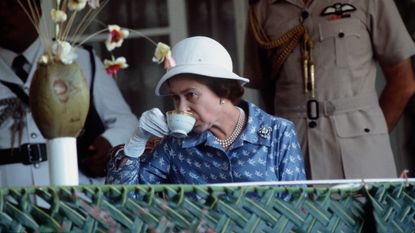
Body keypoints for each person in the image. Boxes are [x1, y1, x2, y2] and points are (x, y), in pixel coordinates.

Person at [244, 0, 415, 180]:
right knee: (296, 208)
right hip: (293, 151)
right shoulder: (263, 9)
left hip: (361, 152)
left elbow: (403, 82)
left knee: (365, 207)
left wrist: (373, 130)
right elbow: (265, 88)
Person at [106, 36, 306, 185]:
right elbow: (124, 203)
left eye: (191, 95)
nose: (181, 109)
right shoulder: (176, 145)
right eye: (176, 97)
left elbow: (296, 210)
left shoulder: (279, 134)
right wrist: (137, 141)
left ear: (223, 91)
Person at [0, 0, 138, 186]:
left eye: (13, 6)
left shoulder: (79, 59)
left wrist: (109, 142)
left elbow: (126, 121)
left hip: (75, 197)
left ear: (36, 9)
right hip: (9, 201)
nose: (3, 14)